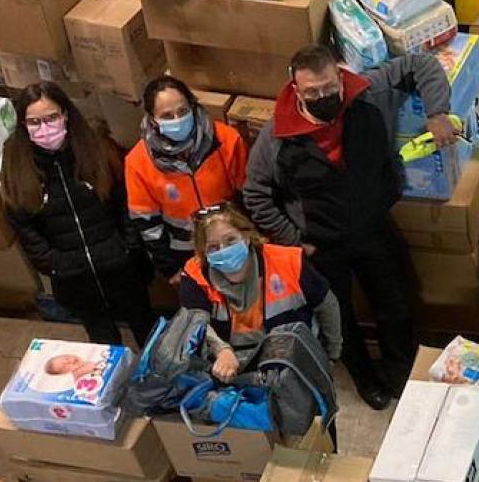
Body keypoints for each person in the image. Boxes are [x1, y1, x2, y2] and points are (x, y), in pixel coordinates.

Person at [244, 45, 452, 409]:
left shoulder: (368, 93)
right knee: (337, 319)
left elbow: (422, 63)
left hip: (374, 226)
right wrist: (294, 240)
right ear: (295, 89)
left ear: (340, 77)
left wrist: (437, 113)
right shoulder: (276, 138)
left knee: (396, 305)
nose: (323, 97)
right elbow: (256, 194)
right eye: (312, 93)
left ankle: (399, 373)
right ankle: (365, 380)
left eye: (328, 88)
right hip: (320, 245)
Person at [1, 82, 158, 346]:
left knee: (146, 328)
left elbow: (124, 199)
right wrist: (53, 263)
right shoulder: (17, 166)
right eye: (34, 122)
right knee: (102, 339)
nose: (45, 128)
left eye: (51, 118)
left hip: (120, 266)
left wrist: (127, 246)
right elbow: (22, 223)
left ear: (66, 115)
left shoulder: (97, 148)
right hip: (74, 277)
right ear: (23, 126)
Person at [176, 206, 343, 379]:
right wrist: (221, 350)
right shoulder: (194, 272)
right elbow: (193, 322)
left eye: (231, 240)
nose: (223, 250)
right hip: (228, 363)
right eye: (213, 247)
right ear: (203, 252)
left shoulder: (287, 261)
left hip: (289, 360)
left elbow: (327, 305)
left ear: (247, 236)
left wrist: (331, 355)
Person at [125, 75, 249, 277]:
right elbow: (147, 224)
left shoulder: (226, 139)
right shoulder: (138, 161)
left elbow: (248, 196)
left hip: (232, 243)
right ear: (152, 119)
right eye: (167, 116)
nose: (177, 120)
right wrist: (170, 269)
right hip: (186, 255)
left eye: (182, 111)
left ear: (193, 106)